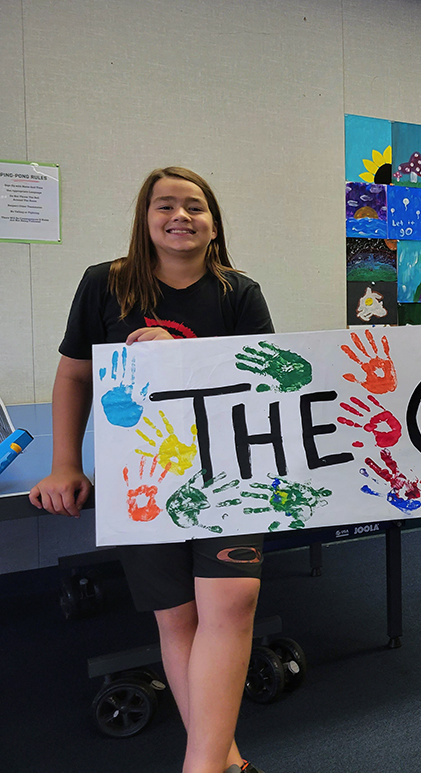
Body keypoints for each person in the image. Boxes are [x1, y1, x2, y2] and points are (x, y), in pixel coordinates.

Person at [30, 167, 273, 773]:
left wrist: (181, 355)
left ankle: (199, 767)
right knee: (178, 616)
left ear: (214, 224)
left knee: (235, 601)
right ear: (145, 218)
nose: (180, 216)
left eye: (195, 206)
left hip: (228, 472)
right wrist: (65, 464)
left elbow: (265, 384)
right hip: (142, 478)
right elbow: (75, 375)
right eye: (165, 205)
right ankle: (223, 759)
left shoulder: (239, 292)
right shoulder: (104, 284)